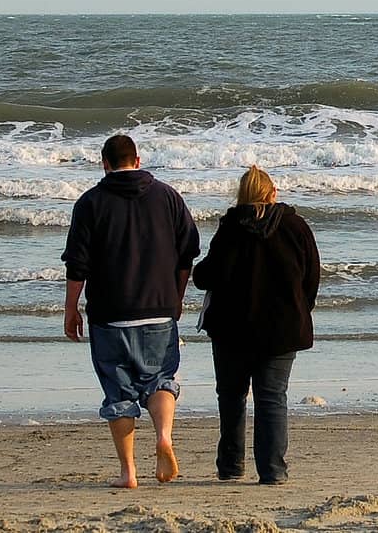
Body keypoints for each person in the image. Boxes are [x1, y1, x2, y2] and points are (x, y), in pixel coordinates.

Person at [62, 133, 200, 489]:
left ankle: (128, 472)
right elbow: (188, 252)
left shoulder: (90, 203)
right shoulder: (167, 196)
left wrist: (71, 309)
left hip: (109, 313)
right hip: (158, 308)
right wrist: (177, 297)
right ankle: (164, 437)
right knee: (161, 381)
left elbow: (77, 265)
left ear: (104, 163)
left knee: (118, 391)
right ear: (137, 161)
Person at [192, 165, 320, 485]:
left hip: (231, 329)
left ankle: (231, 466)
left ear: (241, 196)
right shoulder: (296, 227)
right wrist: (301, 309)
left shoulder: (230, 229)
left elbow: (206, 276)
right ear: (272, 193)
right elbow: (312, 277)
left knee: (232, 396)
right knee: (272, 397)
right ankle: (273, 470)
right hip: (282, 328)